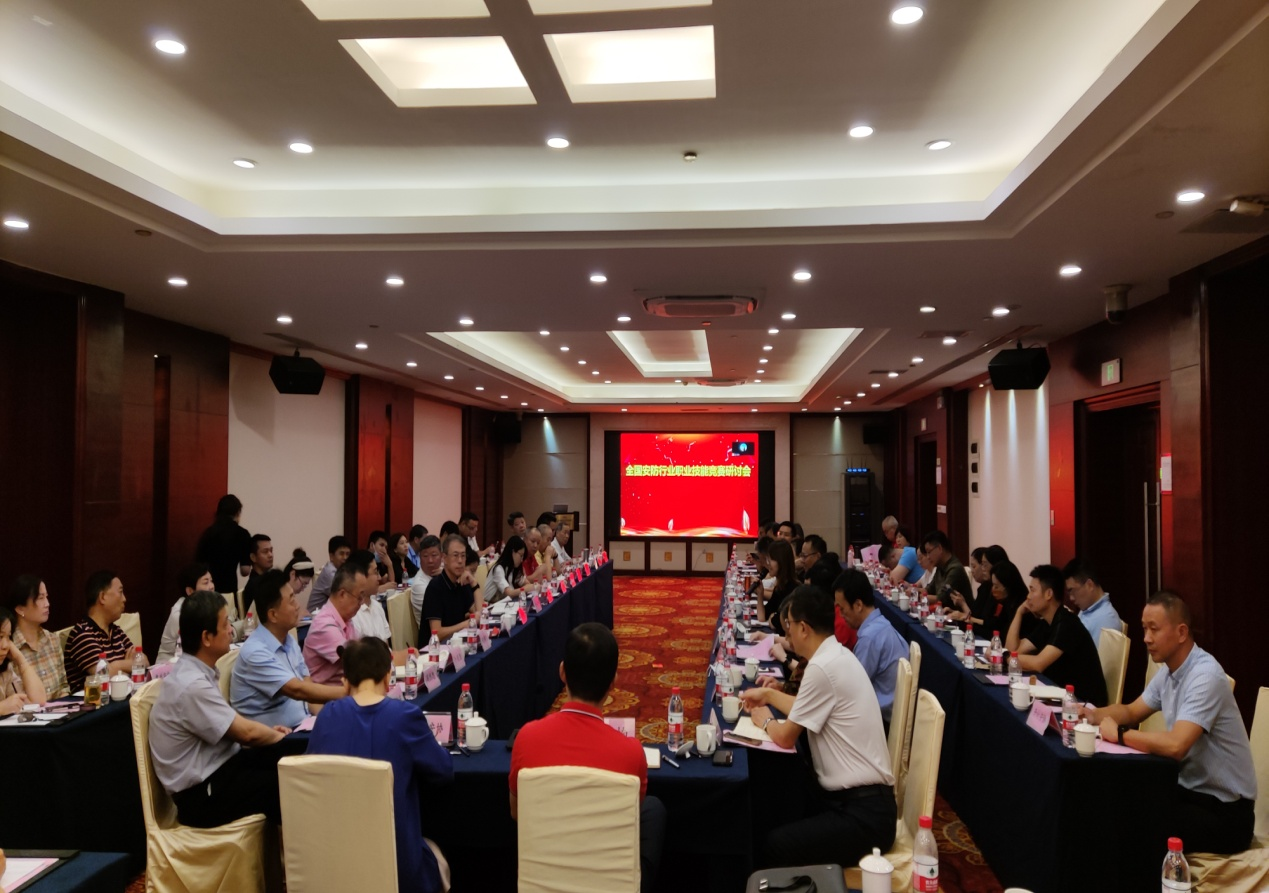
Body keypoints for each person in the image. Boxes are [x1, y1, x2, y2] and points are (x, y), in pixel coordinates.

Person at [1083, 591, 1256, 855]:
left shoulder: (1205, 676)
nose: (1146, 638)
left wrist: (1119, 734)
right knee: (1117, 797)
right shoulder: (1169, 672)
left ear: (1181, 632)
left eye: (1154, 629)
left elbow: (1176, 746)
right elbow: (1131, 711)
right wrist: (1090, 715)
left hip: (1226, 813)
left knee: (1138, 823)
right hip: (1189, 792)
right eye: (1144, 629)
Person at [739, 585, 896, 869]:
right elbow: (804, 708)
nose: (787, 634)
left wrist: (766, 720)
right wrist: (770, 695)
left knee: (777, 844)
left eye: (788, 626)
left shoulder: (822, 667)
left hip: (864, 814)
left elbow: (785, 737)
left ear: (803, 628)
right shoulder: (835, 655)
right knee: (779, 808)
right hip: (855, 800)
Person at [510, 623, 665, 893]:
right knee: (653, 810)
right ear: (614, 682)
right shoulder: (630, 752)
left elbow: (516, 812)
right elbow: (626, 822)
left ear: (562, 672)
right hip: (609, 883)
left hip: (545, 878)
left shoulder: (527, 738)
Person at [308, 637, 454, 893]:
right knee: (437, 856)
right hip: (399, 869)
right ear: (388, 677)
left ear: (345, 682)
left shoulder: (327, 717)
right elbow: (443, 771)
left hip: (336, 864)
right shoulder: (404, 716)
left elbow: (310, 776)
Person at [148, 591, 290, 828]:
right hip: (200, 797)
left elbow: (232, 726)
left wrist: (274, 738)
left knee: (285, 760)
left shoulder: (199, 672)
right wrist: (280, 738)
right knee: (285, 781)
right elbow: (246, 733)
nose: (231, 631)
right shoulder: (191, 685)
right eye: (225, 625)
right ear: (206, 637)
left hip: (222, 770)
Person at [230, 570, 344, 727]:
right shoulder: (255, 652)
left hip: (303, 725)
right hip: (275, 737)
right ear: (273, 615)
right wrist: (349, 692)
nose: (298, 606)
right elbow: (297, 690)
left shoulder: (288, 639)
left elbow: (307, 687)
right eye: (291, 601)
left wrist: (325, 721)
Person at [1005, 564, 1107, 704]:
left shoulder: (1067, 623)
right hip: (1061, 694)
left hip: (1083, 703)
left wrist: (1005, 657)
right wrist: (1019, 613)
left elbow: (1038, 663)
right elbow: (1014, 649)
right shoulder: (1047, 621)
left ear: (1048, 594)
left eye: (1032, 590)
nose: (1028, 597)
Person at [833, 570, 907, 724]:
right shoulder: (882, 624)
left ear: (858, 605)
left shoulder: (869, 638)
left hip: (881, 721)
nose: (841, 615)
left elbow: (852, 689)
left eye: (842, 609)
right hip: (892, 712)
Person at [65, 570, 148, 692]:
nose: (124, 599)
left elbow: (144, 662)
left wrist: (116, 666)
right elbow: (104, 674)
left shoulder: (117, 631)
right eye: (120, 592)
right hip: (91, 702)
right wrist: (128, 664)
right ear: (102, 597)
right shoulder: (83, 634)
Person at [5, 575, 69, 699]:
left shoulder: (53, 640)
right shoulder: (9, 648)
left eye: (46, 597)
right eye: (40, 598)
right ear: (20, 609)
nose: (47, 604)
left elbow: (63, 687)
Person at [302, 563, 365, 686]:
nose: (361, 603)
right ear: (342, 594)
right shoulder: (324, 625)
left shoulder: (345, 619)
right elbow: (358, 662)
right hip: (325, 695)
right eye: (359, 597)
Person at [420, 535, 477, 644]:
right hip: (435, 649)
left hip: (457, 643)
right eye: (455, 555)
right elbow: (437, 633)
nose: (460, 561)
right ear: (444, 558)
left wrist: (474, 583)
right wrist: (466, 624)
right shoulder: (435, 587)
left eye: (463, 556)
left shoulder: (461, 581)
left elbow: (480, 614)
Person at [158, 563, 218, 663]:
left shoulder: (207, 605)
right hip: (170, 663)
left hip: (191, 659)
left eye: (211, 581)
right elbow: (202, 643)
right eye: (205, 582)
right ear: (190, 591)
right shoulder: (180, 614)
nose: (211, 586)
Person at [195, 494, 253, 596]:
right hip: (229, 588)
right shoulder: (242, 534)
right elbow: (245, 571)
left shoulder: (208, 533)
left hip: (207, 589)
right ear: (237, 512)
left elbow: (198, 563)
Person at [1062, 558, 1123, 646]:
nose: (1071, 598)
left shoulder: (1106, 619)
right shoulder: (1087, 609)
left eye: (1072, 590)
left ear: (1089, 585)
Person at [1, 605, 48, 713]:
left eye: (8, 637)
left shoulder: (5, 670)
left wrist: (20, 658)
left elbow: (39, 702)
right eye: (0, 637)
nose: (5, 645)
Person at [971, 559, 1027, 643]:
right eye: (992, 585)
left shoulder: (1021, 606)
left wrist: (974, 627)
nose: (993, 589)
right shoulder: (1003, 601)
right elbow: (994, 624)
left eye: (996, 586)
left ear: (1008, 586)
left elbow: (1002, 636)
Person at [921, 530, 974, 609]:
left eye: (929, 552)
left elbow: (942, 598)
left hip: (959, 615)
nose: (928, 557)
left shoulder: (955, 569)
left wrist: (922, 597)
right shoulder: (940, 566)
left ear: (939, 548)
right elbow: (929, 589)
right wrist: (913, 591)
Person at [348, 550, 394, 642]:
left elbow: (386, 646)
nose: (379, 578)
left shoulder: (377, 606)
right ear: (361, 577)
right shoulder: (352, 616)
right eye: (375, 572)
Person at [756, 539, 796, 635]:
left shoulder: (792, 589)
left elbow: (775, 623)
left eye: (771, 560)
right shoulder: (779, 588)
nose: (768, 563)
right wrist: (760, 594)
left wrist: (773, 618)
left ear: (782, 561)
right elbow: (762, 617)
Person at [308, 535, 352, 614]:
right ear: (331, 556)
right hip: (313, 617)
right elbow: (345, 596)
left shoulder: (341, 571)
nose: (345, 557)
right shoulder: (330, 573)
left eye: (347, 554)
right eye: (341, 554)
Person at [485, 535, 529, 603]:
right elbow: (509, 593)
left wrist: (532, 586)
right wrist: (525, 589)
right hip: (490, 605)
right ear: (513, 552)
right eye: (521, 556)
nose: (521, 560)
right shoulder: (498, 569)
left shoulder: (513, 568)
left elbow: (526, 583)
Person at [410, 535, 443, 622]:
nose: (430, 560)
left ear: (442, 556)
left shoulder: (443, 571)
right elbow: (443, 612)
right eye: (425, 556)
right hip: (432, 629)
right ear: (419, 558)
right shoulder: (419, 585)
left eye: (434, 555)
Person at [240, 533, 274, 617]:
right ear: (253, 557)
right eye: (265, 552)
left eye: (271, 550)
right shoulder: (254, 586)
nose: (270, 555)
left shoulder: (267, 580)